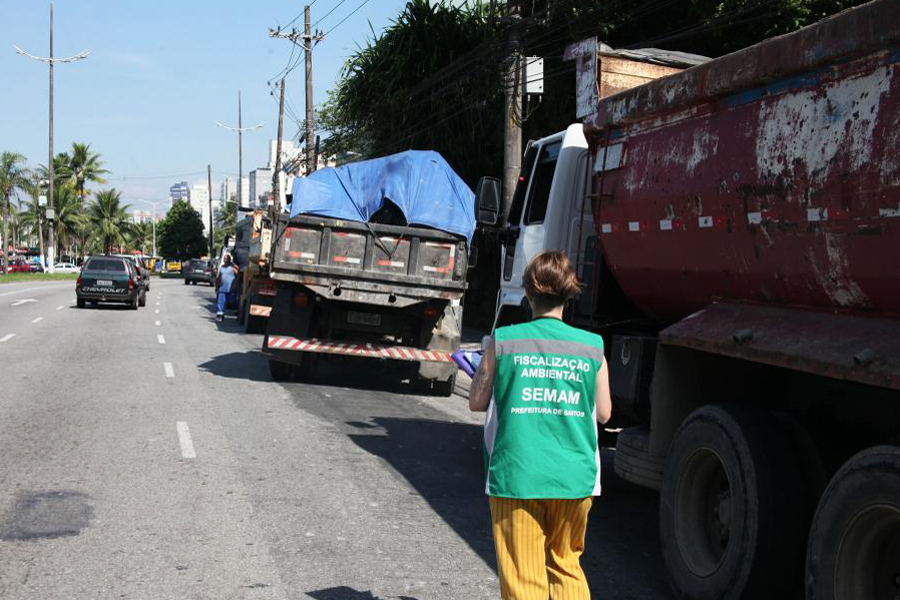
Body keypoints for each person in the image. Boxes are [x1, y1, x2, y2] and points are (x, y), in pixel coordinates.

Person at [469, 250, 612, 600]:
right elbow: (605, 414)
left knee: (524, 580)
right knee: (566, 566)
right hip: (575, 478)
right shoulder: (593, 347)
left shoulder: (504, 341)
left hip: (517, 475)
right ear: (569, 294)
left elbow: (476, 402)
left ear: (528, 294)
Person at [215, 253, 238, 322]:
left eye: (226, 258)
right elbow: (219, 277)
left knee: (231, 302)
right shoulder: (222, 267)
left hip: (230, 288)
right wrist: (217, 286)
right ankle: (220, 315)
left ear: (229, 259)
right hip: (222, 288)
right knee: (220, 302)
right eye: (224, 259)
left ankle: (234, 313)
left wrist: (235, 284)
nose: (225, 260)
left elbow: (238, 275)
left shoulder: (233, 267)